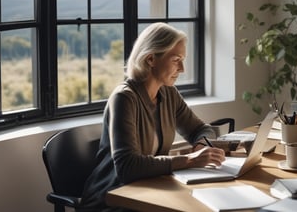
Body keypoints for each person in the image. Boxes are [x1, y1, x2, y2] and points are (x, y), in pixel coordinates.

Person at [80, 22, 225, 211]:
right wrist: (190, 160)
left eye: (183, 60)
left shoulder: (168, 93)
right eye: (176, 59)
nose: (182, 68)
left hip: (150, 189)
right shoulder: (124, 98)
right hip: (115, 198)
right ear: (150, 59)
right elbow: (127, 167)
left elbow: (200, 129)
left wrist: (201, 146)